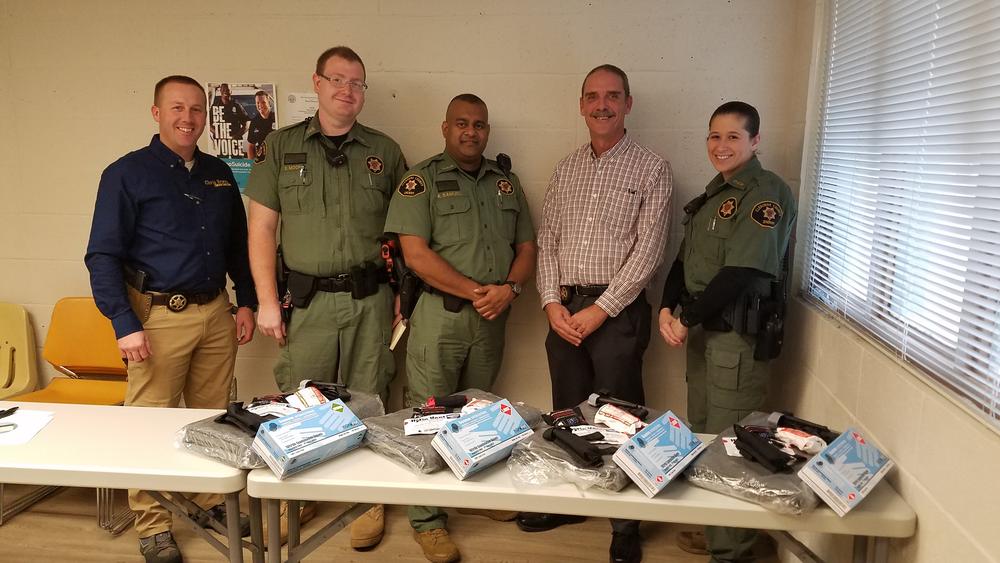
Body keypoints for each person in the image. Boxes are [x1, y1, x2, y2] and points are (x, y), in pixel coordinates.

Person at [85, 75, 257, 563]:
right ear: (156, 112)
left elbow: (237, 248)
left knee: (211, 419)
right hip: (157, 319)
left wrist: (245, 301)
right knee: (149, 426)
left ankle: (205, 503)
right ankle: (153, 525)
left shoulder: (219, 173)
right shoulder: (126, 174)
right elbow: (102, 256)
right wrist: (123, 322)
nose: (189, 118)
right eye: (178, 108)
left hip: (215, 314)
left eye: (198, 109)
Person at [243, 46, 405, 546]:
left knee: (370, 395)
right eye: (337, 79)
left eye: (357, 83)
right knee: (301, 400)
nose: (347, 90)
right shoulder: (281, 147)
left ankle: (367, 498)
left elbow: (404, 235)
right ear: (316, 83)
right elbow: (262, 229)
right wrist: (267, 301)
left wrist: (405, 297)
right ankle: (300, 495)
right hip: (306, 301)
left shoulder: (385, 151)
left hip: (370, 300)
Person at [383, 93, 537, 563]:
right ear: (445, 127)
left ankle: (469, 495)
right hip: (440, 318)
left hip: (491, 318)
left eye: (480, 125)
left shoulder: (505, 183)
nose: (472, 132)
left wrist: (509, 289)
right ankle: (427, 520)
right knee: (429, 418)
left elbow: (527, 246)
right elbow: (417, 256)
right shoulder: (421, 181)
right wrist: (478, 291)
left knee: (479, 413)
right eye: (462, 124)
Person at [532, 64, 672, 563]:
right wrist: (551, 302)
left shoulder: (652, 167)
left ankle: (626, 521)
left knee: (620, 415)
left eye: (613, 96)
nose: (602, 105)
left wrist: (601, 310)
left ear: (628, 104)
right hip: (564, 310)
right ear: (581, 105)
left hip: (618, 313)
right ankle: (572, 500)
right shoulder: (565, 168)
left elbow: (650, 251)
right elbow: (546, 243)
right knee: (568, 412)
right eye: (592, 96)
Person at [658, 101, 796, 563]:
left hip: (736, 340)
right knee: (703, 434)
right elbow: (684, 260)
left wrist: (685, 317)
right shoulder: (716, 193)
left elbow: (739, 273)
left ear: (755, 141)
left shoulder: (765, 195)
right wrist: (665, 307)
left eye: (733, 137)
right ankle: (720, 531)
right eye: (714, 136)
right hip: (704, 336)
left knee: (731, 443)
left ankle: (733, 550)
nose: (721, 145)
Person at [246, 90, 275, 163]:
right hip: (261, 162)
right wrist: (251, 165)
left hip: (275, 160)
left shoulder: (276, 118)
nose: (260, 105)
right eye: (258, 103)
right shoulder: (254, 122)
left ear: (269, 103)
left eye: (263, 102)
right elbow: (250, 146)